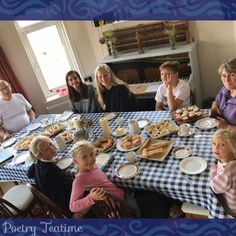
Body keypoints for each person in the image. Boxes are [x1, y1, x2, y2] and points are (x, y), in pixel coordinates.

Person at [69, 140, 125, 216]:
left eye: (92, 154)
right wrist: (91, 198)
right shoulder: (79, 180)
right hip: (119, 205)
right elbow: (72, 206)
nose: (90, 159)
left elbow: (96, 177)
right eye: (84, 157)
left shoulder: (92, 166)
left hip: (119, 195)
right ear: (76, 161)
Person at [27, 135, 72, 213]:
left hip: (50, 199)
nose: (52, 148)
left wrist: (50, 159)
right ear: (40, 155)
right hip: (64, 204)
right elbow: (61, 195)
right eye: (47, 149)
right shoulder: (52, 171)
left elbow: (29, 174)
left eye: (50, 144)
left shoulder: (37, 162)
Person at [210, 129, 236, 217]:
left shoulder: (227, 173)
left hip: (233, 208)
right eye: (214, 143)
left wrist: (213, 171)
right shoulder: (229, 159)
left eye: (222, 145)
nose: (216, 148)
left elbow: (215, 187)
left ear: (233, 149)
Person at [209, 58, 236, 132]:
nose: (227, 80)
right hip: (221, 132)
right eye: (224, 75)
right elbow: (216, 101)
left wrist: (227, 127)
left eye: (232, 75)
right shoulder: (225, 89)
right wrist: (214, 108)